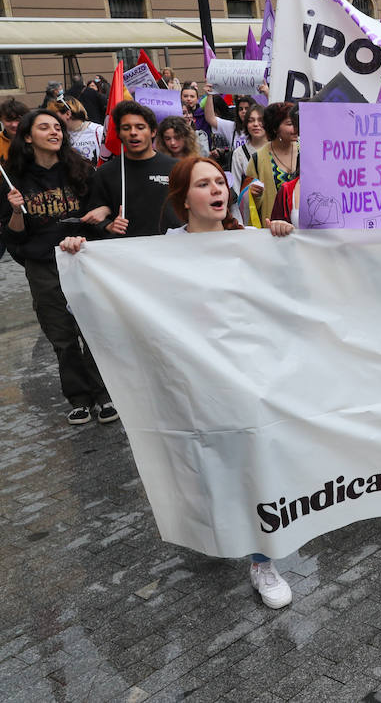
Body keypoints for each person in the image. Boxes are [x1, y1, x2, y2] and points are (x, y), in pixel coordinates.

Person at [62, 157, 297, 607]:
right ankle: (213, 530)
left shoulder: (251, 241)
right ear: (183, 198)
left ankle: (262, 563)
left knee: (254, 465)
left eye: (219, 182)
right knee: (205, 465)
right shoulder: (161, 251)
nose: (217, 190)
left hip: (247, 378)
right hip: (190, 383)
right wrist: (80, 258)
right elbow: (105, 297)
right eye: (203, 183)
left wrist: (285, 242)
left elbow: (298, 289)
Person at [0, 109, 114, 425]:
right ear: (26, 136)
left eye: (58, 127)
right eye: (45, 127)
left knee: (93, 330)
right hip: (44, 267)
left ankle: (104, 394)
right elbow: (12, 236)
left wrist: (97, 218)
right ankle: (78, 398)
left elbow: (99, 212)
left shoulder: (81, 170)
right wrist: (16, 211)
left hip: (83, 261)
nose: (55, 132)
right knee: (61, 337)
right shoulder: (13, 180)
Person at [82, 101, 181, 238]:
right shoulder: (105, 173)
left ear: (153, 132)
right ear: (119, 133)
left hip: (171, 250)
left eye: (140, 127)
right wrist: (108, 225)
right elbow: (93, 217)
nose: (133, 133)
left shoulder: (177, 168)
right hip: (127, 253)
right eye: (126, 128)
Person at [242, 102, 299, 226]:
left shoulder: (306, 151)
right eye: (290, 124)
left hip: (303, 231)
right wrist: (254, 194)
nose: (296, 128)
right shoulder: (258, 159)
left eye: (297, 122)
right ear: (275, 127)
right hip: (273, 232)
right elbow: (245, 202)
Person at [55, 98, 104, 164]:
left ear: (68, 114)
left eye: (55, 116)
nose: (53, 119)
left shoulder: (98, 131)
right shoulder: (58, 134)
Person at [0, 97, 27, 162]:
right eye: (8, 120)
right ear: (1, 120)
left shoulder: (36, 139)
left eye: (18, 120)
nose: (14, 125)